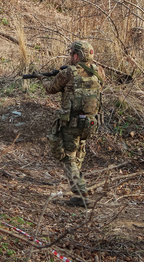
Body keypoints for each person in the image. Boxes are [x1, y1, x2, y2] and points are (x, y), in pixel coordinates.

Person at [39, 41, 104, 206]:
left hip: (72, 122)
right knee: (79, 152)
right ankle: (79, 193)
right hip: (91, 122)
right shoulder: (99, 72)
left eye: (72, 54)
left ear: (77, 55)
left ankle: (81, 192)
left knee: (68, 157)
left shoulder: (69, 72)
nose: (70, 57)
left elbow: (51, 88)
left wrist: (42, 79)